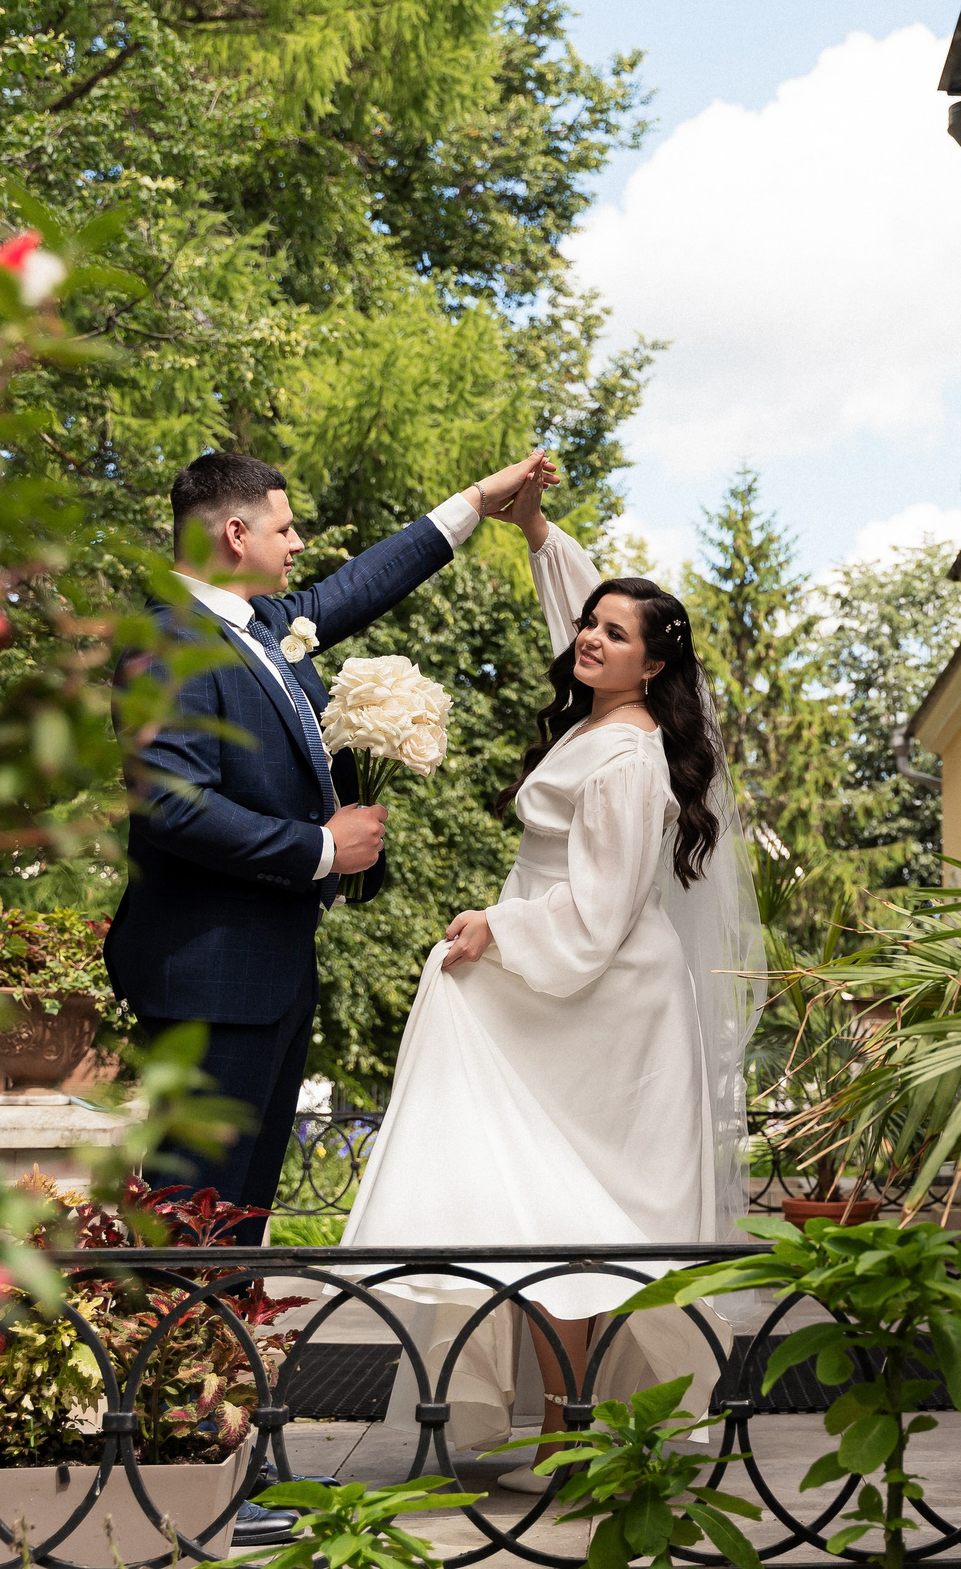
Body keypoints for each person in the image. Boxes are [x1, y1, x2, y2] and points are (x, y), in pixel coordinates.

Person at [339, 472, 757, 1474]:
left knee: (577, 1226)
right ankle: (558, 1424)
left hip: (600, 999)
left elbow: (603, 912)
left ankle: (573, 1429)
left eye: (615, 634)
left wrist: (499, 927)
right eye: (591, 625)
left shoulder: (624, 760)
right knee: (529, 1209)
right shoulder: (599, 716)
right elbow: (577, 602)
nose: (591, 639)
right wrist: (534, 530)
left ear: (653, 667)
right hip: (572, 983)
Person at [106, 447, 558, 1240]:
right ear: (236, 534)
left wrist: (474, 503)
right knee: (188, 1225)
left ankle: (228, 1362)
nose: (300, 541)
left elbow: (358, 585)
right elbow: (172, 808)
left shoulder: (268, 624)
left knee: (240, 1225)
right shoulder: (165, 640)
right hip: (207, 983)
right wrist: (317, 846)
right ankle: (169, 1360)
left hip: (275, 976)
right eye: (287, 527)